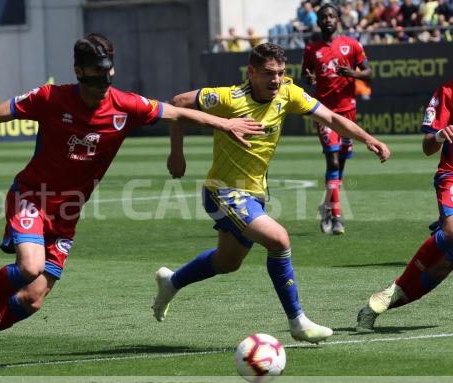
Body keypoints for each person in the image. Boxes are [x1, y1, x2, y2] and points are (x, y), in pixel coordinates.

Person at [0, 33, 265, 373]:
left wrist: (225, 123)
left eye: (108, 70)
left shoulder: (126, 105)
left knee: (33, 299)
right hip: (31, 198)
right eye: (96, 72)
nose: (105, 79)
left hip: (66, 216)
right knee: (30, 266)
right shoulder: (50, 98)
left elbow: (178, 113)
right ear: (79, 70)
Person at [153, 43, 390, 344]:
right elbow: (178, 103)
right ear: (251, 72)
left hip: (255, 194)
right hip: (222, 192)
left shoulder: (288, 94)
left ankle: (172, 282)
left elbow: (331, 118)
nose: (276, 80)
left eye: (280, 73)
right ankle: (298, 321)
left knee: (227, 262)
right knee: (279, 240)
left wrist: (369, 139)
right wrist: (177, 154)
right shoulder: (229, 98)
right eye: (268, 73)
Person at [356, 81, 453, 333]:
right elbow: (427, 147)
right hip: (452, 175)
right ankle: (392, 292)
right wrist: (441, 135)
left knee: (443, 266)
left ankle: (375, 308)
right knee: (452, 231)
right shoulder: (447, 92)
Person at [302, 3, 372, 235]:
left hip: (348, 111)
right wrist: (310, 78)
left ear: (338, 20)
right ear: (318, 21)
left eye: (332, 16)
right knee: (332, 161)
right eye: (324, 16)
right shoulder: (312, 49)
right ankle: (337, 217)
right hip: (324, 111)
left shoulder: (351, 45)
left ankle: (328, 208)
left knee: (339, 166)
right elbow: (305, 73)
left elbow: (369, 72)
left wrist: (354, 74)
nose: (328, 19)